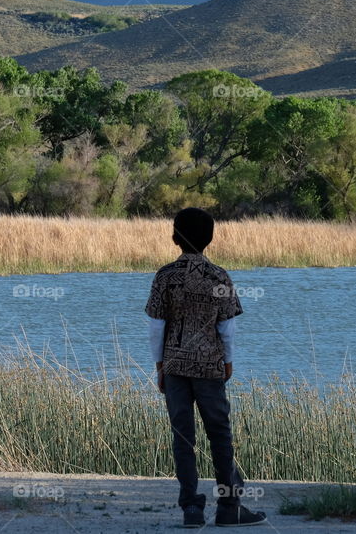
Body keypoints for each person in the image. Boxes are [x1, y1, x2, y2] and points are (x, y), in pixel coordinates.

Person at [145, 207, 267, 528]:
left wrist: (160, 365)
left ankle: (191, 508)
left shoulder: (165, 277)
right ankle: (229, 506)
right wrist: (227, 362)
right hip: (210, 367)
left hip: (174, 366)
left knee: (183, 437)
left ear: (174, 237)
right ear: (210, 239)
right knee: (219, 435)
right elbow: (227, 328)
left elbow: (157, 326)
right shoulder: (219, 277)